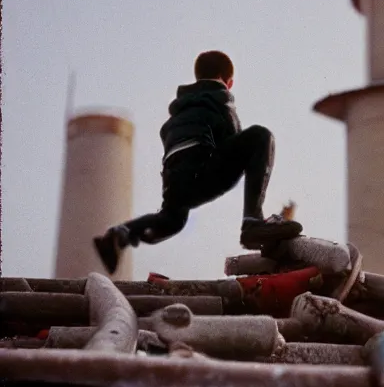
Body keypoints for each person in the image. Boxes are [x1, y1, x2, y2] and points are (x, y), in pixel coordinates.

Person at [93, 50, 303, 275]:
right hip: (203, 173)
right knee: (260, 137)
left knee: (171, 220)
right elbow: (234, 141)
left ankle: (119, 234)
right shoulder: (220, 97)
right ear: (228, 82)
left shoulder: (178, 111)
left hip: (174, 182)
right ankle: (253, 222)